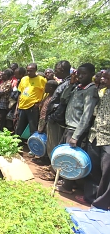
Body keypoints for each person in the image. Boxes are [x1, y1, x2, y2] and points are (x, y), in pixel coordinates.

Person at [56, 63, 99, 194]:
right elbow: (63, 99)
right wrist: (71, 84)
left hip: (76, 129)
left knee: (71, 158)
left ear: (92, 74)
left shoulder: (90, 90)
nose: (80, 76)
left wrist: (76, 136)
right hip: (69, 126)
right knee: (65, 155)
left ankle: (68, 186)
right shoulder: (78, 87)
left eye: (84, 74)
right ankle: (66, 181)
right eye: (78, 73)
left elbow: (86, 116)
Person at [83, 69, 110, 210]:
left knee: (106, 174)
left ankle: (101, 203)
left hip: (108, 139)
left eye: (107, 78)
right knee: (93, 170)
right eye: (103, 77)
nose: (103, 80)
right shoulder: (101, 93)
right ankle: (90, 198)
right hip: (95, 135)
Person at [16, 63, 47, 137]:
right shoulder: (24, 79)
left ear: (36, 70)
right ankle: (18, 143)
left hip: (32, 107)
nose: (29, 73)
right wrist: (18, 105)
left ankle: (32, 145)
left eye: (31, 71)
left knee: (32, 127)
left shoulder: (41, 80)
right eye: (28, 71)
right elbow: (20, 93)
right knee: (19, 127)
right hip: (22, 106)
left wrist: (40, 103)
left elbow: (46, 93)